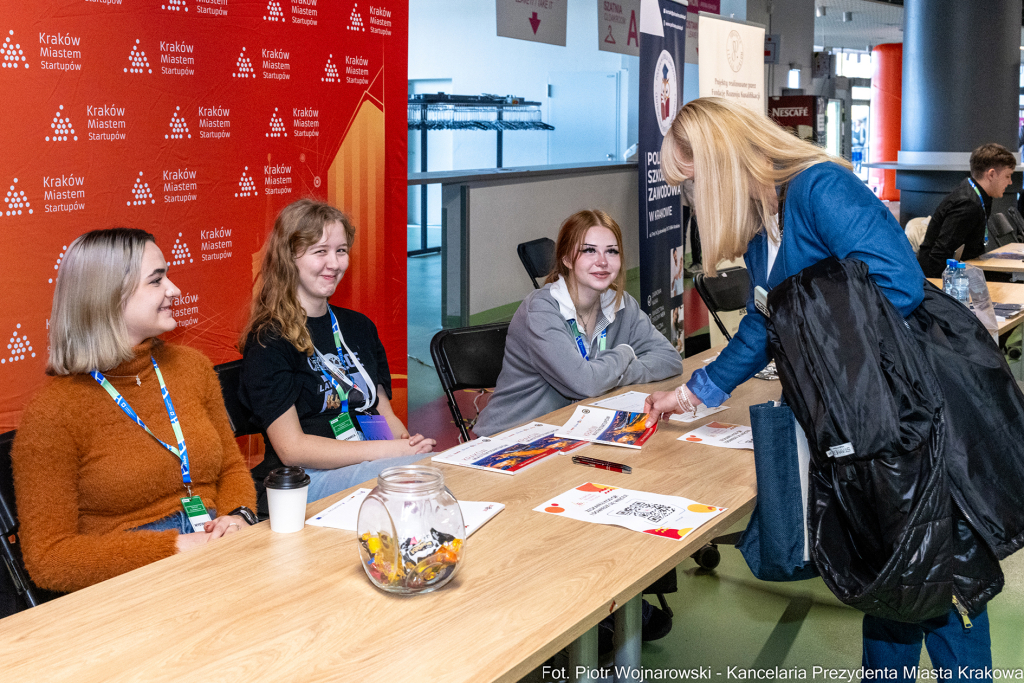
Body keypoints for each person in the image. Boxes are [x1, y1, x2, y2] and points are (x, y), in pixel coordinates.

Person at [643, 97, 995, 680]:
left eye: (691, 181)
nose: (689, 198)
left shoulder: (819, 189)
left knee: (941, 575)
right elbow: (764, 321)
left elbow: (898, 283)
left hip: (905, 420)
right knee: (887, 579)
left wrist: (810, 346)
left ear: (721, 163)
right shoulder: (765, 232)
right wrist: (694, 392)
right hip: (858, 425)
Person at [11, 228, 258, 593]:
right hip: (133, 581)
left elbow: (231, 468)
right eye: (157, 281)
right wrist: (172, 547)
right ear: (109, 296)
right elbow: (50, 559)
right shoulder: (53, 414)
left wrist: (238, 516)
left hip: (217, 548)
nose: (174, 290)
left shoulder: (191, 367)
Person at [239, 199, 434, 506]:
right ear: (289, 257)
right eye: (320, 251)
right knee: (412, 485)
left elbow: (382, 412)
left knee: (434, 471)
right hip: (304, 478)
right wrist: (389, 455)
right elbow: (293, 449)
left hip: (369, 463)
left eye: (341, 250)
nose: (334, 263)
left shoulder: (358, 326)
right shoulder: (269, 340)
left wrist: (405, 444)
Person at [475, 209, 683, 438]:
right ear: (566, 259)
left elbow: (670, 359)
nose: (602, 261)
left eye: (612, 251)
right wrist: (624, 354)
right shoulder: (541, 309)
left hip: (574, 431)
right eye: (589, 250)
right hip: (511, 438)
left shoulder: (622, 303)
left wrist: (606, 374)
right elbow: (586, 384)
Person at [916, 143, 1016, 277]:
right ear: (991, 174)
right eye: (1007, 176)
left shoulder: (977, 195)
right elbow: (940, 254)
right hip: (939, 279)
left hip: (963, 271)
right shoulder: (968, 204)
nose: (1010, 182)